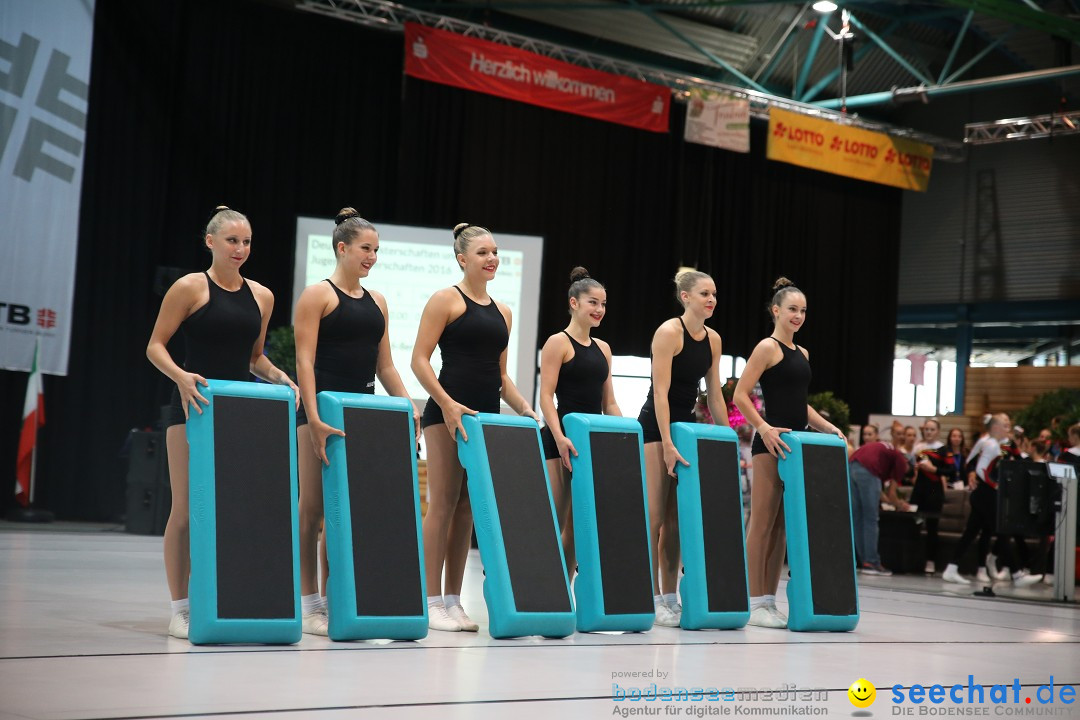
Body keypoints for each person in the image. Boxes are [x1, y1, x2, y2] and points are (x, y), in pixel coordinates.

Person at [146, 206, 298, 639]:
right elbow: (155, 346)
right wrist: (181, 376)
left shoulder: (262, 296)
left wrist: (279, 375)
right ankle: (181, 608)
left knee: (235, 511)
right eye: (232, 241)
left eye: (246, 241)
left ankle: (226, 598)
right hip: (192, 408)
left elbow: (254, 358)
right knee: (186, 510)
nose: (241, 249)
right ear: (210, 242)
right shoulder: (189, 287)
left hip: (241, 414)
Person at [292, 209, 420, 636]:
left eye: (377, 250)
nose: (372, 256)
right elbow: (304, 362)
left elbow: (386, 366)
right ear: (342, 248)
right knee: (311, 509)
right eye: (366, 248)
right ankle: (308, 602)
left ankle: (335, 597)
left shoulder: (378, 301)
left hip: (360, 415)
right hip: (319, 413)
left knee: (343, 511)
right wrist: (312, 417)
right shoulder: (317, 295)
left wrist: (408, 407)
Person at [412, 223, 538, 632]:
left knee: (468, 506)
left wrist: (525, 409)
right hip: (446, 412)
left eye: (496, 252)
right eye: (483, 252)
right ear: (462, 258)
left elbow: (501, 376)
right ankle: (430, 600)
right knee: (444, 501)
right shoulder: (445, 299)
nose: (493, 259)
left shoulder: (504, 311)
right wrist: (447, 405)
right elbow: (419, 360)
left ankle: (453, 600)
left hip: (483, 417)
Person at [734, 278, 845, 630]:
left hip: (796, 445)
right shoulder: (767, 348)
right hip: (770, 444)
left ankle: (769, 600)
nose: (798, 316)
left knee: (782, 527)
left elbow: (801, 404)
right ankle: (753, 601)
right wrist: (763, 428)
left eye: (803, 311)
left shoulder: (803, 354)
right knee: (762, 523)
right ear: (776, 310)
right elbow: (740, 394)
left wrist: (828, 427)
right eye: (792, 309)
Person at [637, 270, 729, 627]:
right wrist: (667, 444)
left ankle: (669, 596)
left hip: (685, 428)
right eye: (705, 293)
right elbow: (660, 393)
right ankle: (646, 596)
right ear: (685, 297)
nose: (712, 299)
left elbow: (715, 393)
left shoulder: (714, 339)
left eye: (715, 294)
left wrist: (726, 439)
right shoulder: (668, 332)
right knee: (655, 516)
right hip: (655, 427)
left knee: (675, 522)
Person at [538, 267, 620, 577]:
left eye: (603, 304)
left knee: (578, 523)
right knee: (554, 520)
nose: (599, 310)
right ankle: (543, 588)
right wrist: (559, 437)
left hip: (589, 441)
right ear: (574, 303)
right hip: (560, 439)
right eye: (593, 303)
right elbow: (546, 397)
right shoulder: (558, 342)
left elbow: (608, 401)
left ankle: (565, 588)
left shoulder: (604, 349)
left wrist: (625, 436)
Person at [941, 413, 1041, 587]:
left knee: (970, 533)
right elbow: (981, 470)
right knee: (1001, 532)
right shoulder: (991, 445)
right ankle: (1017, 574)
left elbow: (974, 461)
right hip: (987, 495)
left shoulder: (994, 443)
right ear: (995, 427)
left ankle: (951, 568)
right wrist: (996, 486)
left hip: (982, 495)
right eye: (1005, 425)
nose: (1008, 429)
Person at [848, 441, 907, 576]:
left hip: (852, 466)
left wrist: (891, 502)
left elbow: (879, 492)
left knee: (857, 518)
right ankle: (872, 562)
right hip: (867, 469)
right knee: (870, 519)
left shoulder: (887, 452)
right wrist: (900, 504)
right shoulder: (901, 463)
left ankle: (864, 561)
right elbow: (892, 493)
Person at [910, 419, 946, 573]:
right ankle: (913, 560)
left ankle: (930, 561)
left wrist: (933, 469)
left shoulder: (943, 449)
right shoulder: (918, 448)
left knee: (932, 527)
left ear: (938, 431)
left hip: (934, 491)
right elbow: (911, 467)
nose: (929, 432)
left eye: (932, 429)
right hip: (919, 490)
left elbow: (949, 470)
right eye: (926, 429)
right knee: (914, 525)